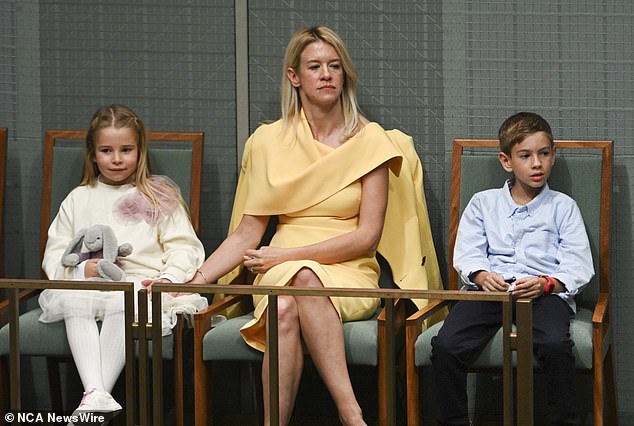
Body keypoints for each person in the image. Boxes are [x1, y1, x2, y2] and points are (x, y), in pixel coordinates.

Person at [190, 26, 442, 426]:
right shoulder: (269, 141)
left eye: (334, 66)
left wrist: (287, 256)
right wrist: (194, 282)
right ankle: (341, 415)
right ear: (295, 77)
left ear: (344, 75)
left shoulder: (371, 140)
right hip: (277, 273)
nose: (326, 75)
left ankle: (349, 412)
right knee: (285, 304)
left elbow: (367, 237)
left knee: (303, 279)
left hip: (348, 270)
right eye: (314, 67)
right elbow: (245, 235)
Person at [39, 104, 206, 413]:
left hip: (141, 287)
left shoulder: (159, 196)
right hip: (87, 286)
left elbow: (183, 247)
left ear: (140, 152)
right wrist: (79, 268)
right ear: (93, 153)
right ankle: (97, 394)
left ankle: (94, 396)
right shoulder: (78, 198)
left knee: (123, 297)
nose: (116, 159)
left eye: (126, 149)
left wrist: (169, 278)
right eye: (106, 150)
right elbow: (56, 252)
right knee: (76, 300)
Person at [430, 112, 594, 426]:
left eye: (544, 154)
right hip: (491, 291)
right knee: (447, 346)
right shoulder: (483, 203)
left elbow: (577, 263)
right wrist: (480, 275)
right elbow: (467, 251)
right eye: (526, 156)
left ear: (553, 156)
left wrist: (547, 283)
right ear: (507, 161)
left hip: (543, 294)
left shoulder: (563, 207)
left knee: (555, 346)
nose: (537, 163)